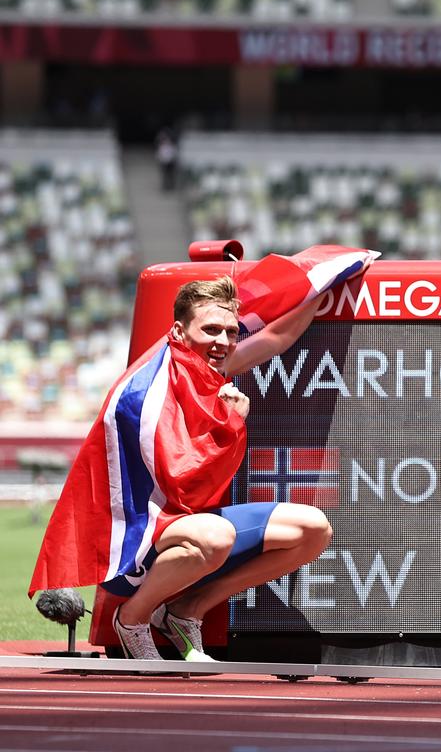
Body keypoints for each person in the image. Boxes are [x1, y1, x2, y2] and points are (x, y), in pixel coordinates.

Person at [106, 276, 332, 661]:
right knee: (214, 537)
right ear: (179, 331)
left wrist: (323, 285)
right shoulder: (149, 390)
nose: (224, 342)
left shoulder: (210, 368)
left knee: (313, 531)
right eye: (211, 330)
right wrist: (230, 424)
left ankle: (185, 611)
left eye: (230, 331)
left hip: (190, 525)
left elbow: (277, 338)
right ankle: (132, 618)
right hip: (136, 540)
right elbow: (183, 484)